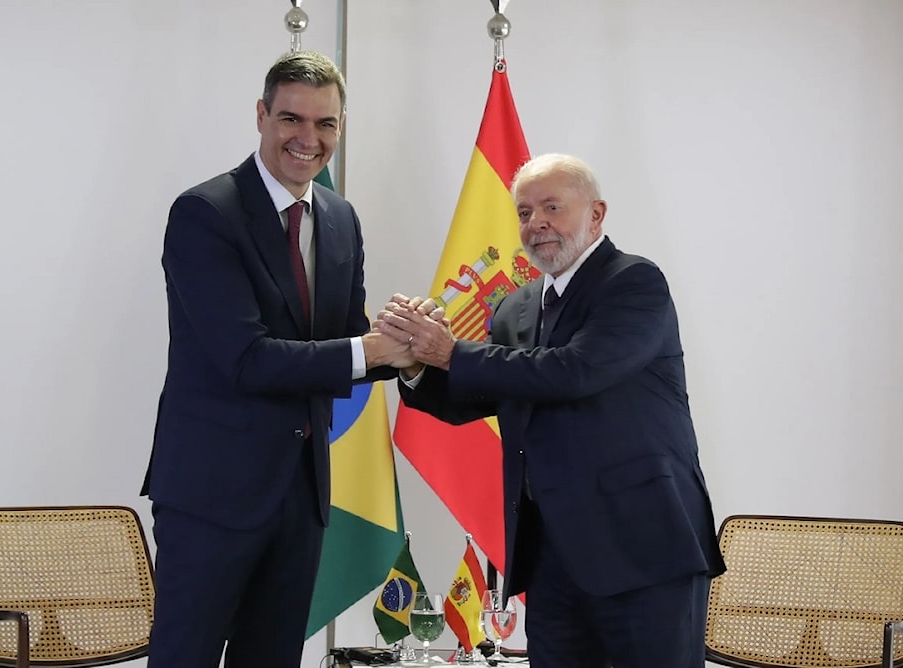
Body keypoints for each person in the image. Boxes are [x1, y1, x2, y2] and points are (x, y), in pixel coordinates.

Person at [376, 153, 726, 668]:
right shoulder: (515, 306)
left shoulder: (633, 283)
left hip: (643, 551)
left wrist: (449, 352)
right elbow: (482, 393)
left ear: (597, 214)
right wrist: (413, 365)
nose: (535, 222)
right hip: (550, 557)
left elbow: (573, 372)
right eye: (523, 212)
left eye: (552, 207)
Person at [141, 50, 406, 668]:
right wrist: (368, 348)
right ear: (261, 116)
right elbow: (246, 358)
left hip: (302, 491)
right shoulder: (205, 214)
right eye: (291, 119)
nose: (307, 139)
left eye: (326, 125)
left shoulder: (341, 219)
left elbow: (344, 340)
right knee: (186, 656)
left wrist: (408, 344)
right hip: (211, 492)